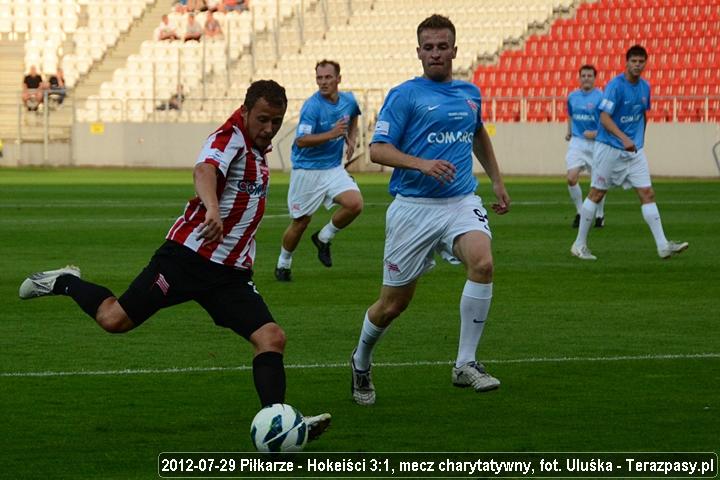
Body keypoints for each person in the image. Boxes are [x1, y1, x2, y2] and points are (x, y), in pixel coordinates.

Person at [18, 80, 331, 440]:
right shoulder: (229, 137)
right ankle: (64, 281)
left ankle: (278, 423)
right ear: (245, 112)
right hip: (186, 259)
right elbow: (204, 170)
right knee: (113, 319)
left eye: (276, 121)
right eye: (262, 119)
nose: (269, 128)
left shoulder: (258, 149)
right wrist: (212, 208)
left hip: (229, 274)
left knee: (271, 337)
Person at [349, 14, 510, 406]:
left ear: (454, 50)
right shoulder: (404, 95)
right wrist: (421, 164)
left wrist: (496, 180)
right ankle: (361, 360)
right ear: (419, 52)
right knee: (392, 305)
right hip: (413, 208)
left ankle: (465, 363)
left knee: (483, 263)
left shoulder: (470, 93)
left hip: (460, 201)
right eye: (429, 47)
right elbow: (377, 150)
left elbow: (477, 133)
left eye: (442, 47)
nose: (436, 53)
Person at [571, 45, 688, 260]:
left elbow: (642, 114)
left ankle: (663, 245)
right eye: (634, 61)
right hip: (609, 148)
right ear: (627, 62)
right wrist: (624, 138)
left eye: (641, 61)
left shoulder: (645, 87)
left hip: (634, 152)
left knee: (647, 193)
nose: (637, 65)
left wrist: (639, 140)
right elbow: (604, 118)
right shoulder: (615, 86)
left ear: (645, 63)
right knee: (597, 193)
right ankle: (579, 245)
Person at [274, 59, 362, 282]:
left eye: (328, 77)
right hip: (307, 171)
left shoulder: (349, 100)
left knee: (355, 204)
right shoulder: (312, 106)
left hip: (333, 168)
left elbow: (354, 116)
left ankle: (324, 237)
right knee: (301, 222)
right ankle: (283, 263)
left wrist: (351, 139)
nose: (323, 82)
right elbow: (301, 140)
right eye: (319, 78)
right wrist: (332, 134)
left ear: (338, 79)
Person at [565, 64, 605, 228]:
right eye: (583, 76)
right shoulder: (572, 97)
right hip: (577, 142)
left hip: (597, 143)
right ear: (579, 78)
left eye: (589, 76)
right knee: (571, 178)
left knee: (598, 182)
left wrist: (597, 133)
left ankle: (600, 214)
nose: (586, 79)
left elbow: (608, 119)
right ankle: (580, 212)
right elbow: (570, 115)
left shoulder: (601, 97)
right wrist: (569, 131)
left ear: (595, 78)